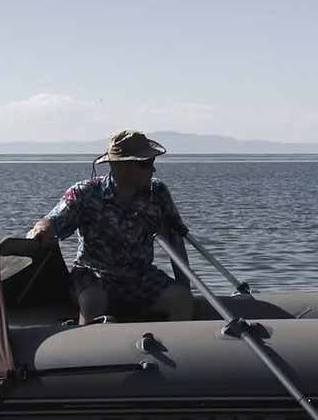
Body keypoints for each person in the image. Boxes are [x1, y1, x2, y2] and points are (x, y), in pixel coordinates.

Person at [26, 129, 196, 324]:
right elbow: (53, 221)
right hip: (93, 273)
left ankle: (176, 347)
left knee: (181, 299)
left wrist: (185, 288)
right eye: (146, 163)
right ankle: (85, 347)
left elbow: (174, 238)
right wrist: (41, 229)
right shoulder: (86, 193)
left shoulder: (157, 193)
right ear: (120, 166)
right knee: (93, 300)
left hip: (140, 276)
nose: (152, 170)